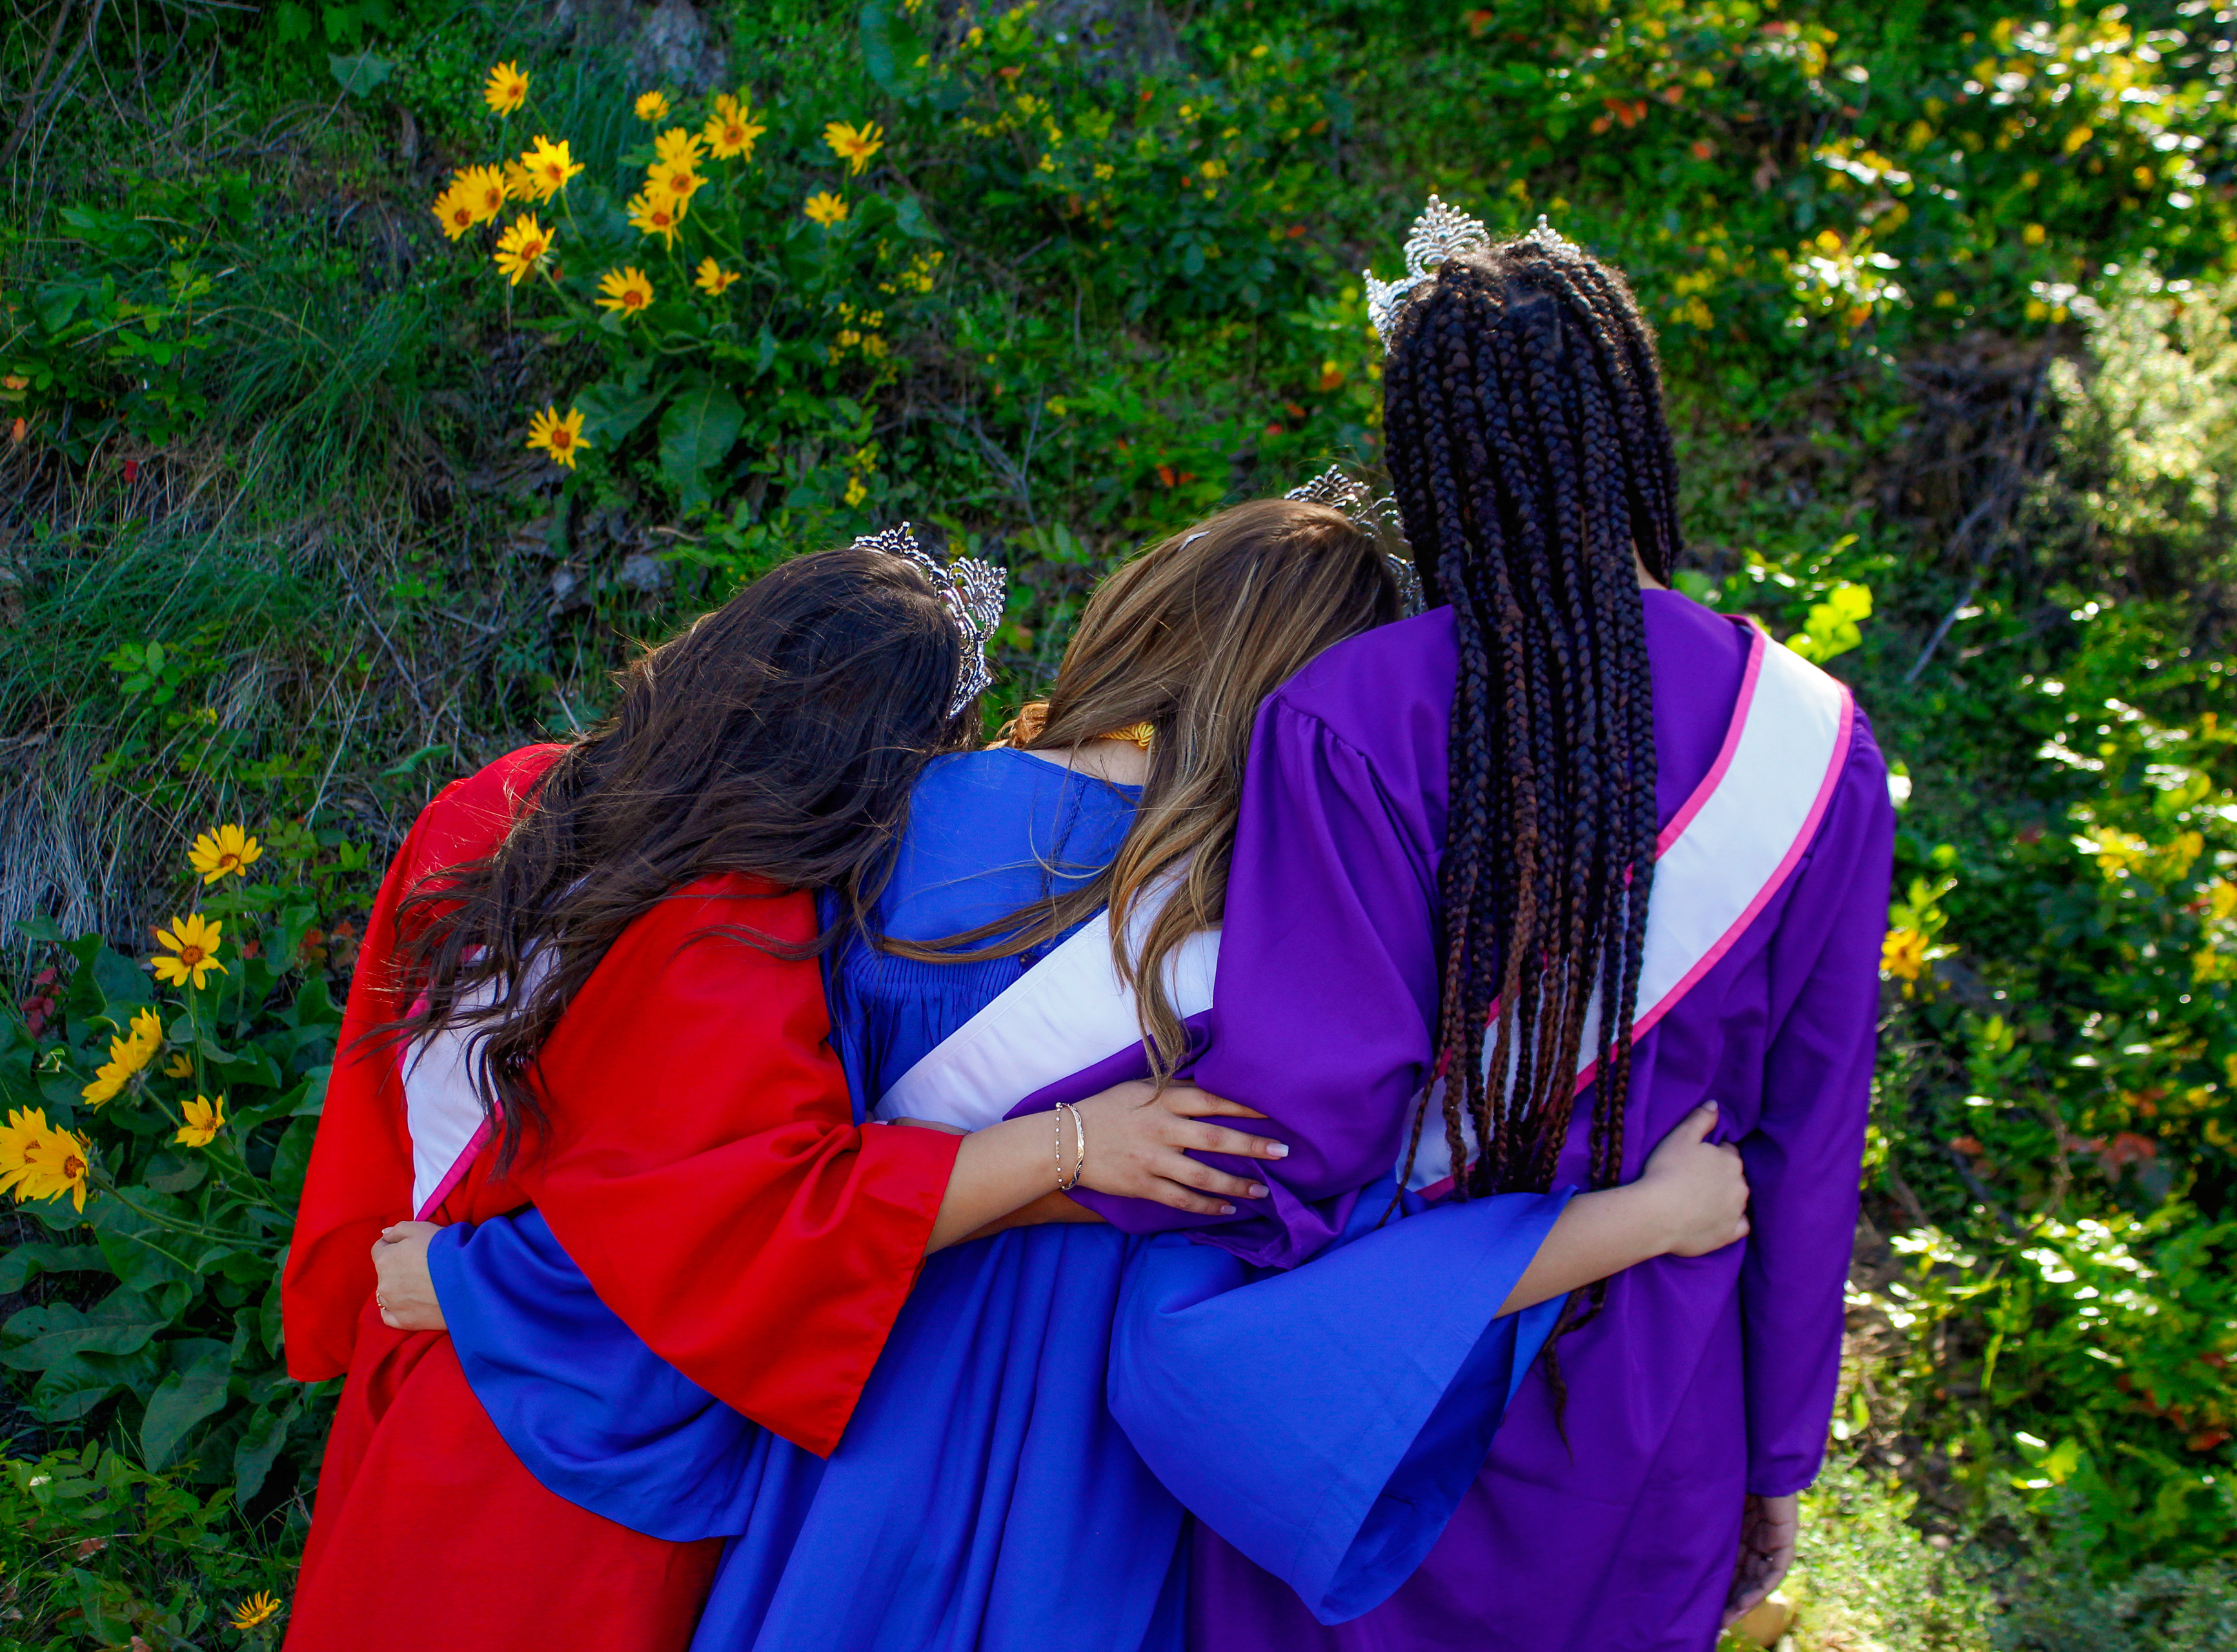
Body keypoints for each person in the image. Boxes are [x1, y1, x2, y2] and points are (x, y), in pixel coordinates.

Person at [367, 501, 1755, 1650]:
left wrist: (507, 1279)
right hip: (1086, 1478)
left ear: (1144, 614)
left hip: (851, 1400)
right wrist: (1640, 1222)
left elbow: (736, 1186)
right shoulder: (1302, 949)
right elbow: (1339, 1282)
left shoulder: (883, 822)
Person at [279, 539, 1289, 1652]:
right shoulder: (739, 925)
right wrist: (1072, 1152)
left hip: (409, 1358)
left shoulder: (496, 804)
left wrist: (414, 1268)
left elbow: (386, 1093)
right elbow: (754, 1220)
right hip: (570, 1426)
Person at [1152, 214, 1896, 1649]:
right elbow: (1811, 1138)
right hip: (1657, 1391)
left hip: (1383, 1395)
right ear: (1633, 432)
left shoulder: (1349, 718)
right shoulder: (1812, 742)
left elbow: (1304, 1126)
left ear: (1428, 463)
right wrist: (1778, 1456)